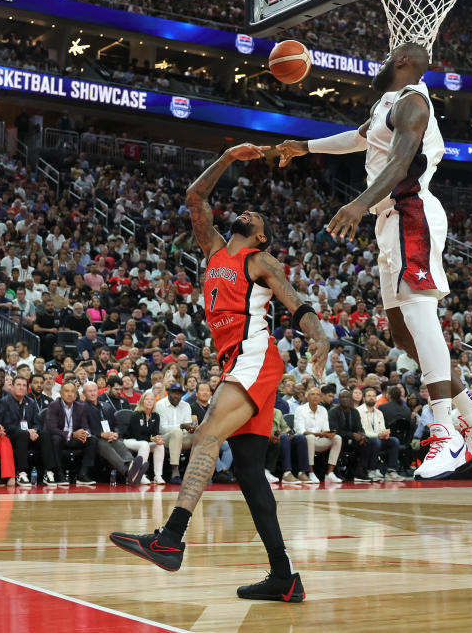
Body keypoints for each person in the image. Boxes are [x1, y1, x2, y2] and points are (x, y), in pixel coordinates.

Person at [110, 143, 329, 604]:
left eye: (258, 218)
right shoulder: (213, 250)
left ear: (262, 238)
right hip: (238, 364)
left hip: (257, 360)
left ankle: (171, 538)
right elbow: (195, 196)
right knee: (250, 474)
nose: (249, 211)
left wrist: (319, 335)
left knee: (206, 434)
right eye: (247, 210)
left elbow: (296, 302)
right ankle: (284, 576)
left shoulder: (259, 262)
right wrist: (228, 157)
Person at [276, 43, 472, 480]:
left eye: (386, 58)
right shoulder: (388, 104)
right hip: (389, 220)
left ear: (402, 61)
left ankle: (447, 433)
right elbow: (357, 139)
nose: (379, 65)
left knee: (421, 318)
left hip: (410, 213)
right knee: (402, 336)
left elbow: (401, 164)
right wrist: (304, 146)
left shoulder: (414, 103)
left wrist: (358, 204)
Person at [82, 381, 143, 484]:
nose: (92, 393)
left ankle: (132, 466)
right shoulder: (82, 408)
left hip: (110, 436)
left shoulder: (106, 406)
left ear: (98, 392)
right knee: (103, 444)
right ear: (84, 393)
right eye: (89, 391)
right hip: (94, 439)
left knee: (118, 442)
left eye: (94, 391)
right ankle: (128, 473)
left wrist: (116, 433)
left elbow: (115, 424)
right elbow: (83, 427)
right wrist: (100, 434)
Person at [2, 375, 53, 487]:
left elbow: (37, 422)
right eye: (18, 385)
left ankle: (48, 472)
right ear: (12, 387)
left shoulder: (31, 402)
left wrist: (34, 431)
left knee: (45, 433)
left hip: (30, 435)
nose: (21, 388)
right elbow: (7, 425)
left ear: (27, 388)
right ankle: (21, 472)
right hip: (12, 436)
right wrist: (27, 432)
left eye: (24, 385)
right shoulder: (4, 402)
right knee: (22, 433)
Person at [45, 381, 97, 487]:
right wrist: (72, 434)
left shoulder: (80, 406)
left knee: (92, 440)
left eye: (72, 391)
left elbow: (85, 426)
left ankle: (82, 474)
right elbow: (52, 428)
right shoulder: (54, 405)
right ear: (60, 393)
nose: (70, 394)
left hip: (75, 438)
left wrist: (84, 433)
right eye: (66, 391)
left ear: (76, 394)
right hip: (62, 437)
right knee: (56, 438)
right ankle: (59, 474)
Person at [294, 387, 342, 483]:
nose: (315, 397)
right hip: (303, 441)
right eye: (313, 394)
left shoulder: (323, 410)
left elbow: (325, 430)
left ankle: (330, 473)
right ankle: (311, 472)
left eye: (318, 395)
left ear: (321, 398)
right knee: (310, 437)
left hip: (319, 441)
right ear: (307, 397)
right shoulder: (300, 409)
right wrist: (320, 434)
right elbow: (301, 431)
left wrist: (329, 434)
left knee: (337, 438)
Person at [155, 382, 198, 484]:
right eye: (174, 393)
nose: (177, 396)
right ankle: (175, 471)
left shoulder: (186, 405)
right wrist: (181, 426)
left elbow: (187, 426)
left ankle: (195, 471)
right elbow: (162, 428)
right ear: (168, 393)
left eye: (179, 393)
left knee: (199, 434)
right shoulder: (160, 405)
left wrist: (191, 429)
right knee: (177, 432)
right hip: (165, 438)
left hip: (182, 437)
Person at [122, 393, 165, 485]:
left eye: (152, 399)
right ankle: (141, 475)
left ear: (154, 402)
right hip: (130, 440)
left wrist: (157, 439)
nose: (149, 401)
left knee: (160, 446)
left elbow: (155, 433)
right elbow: (138, 436)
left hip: (145, 441)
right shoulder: (136, 415)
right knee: (144, 444)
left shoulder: (156, 416)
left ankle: (158, 476)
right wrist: (152, 438)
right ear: (142, 401)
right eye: (147, 399)